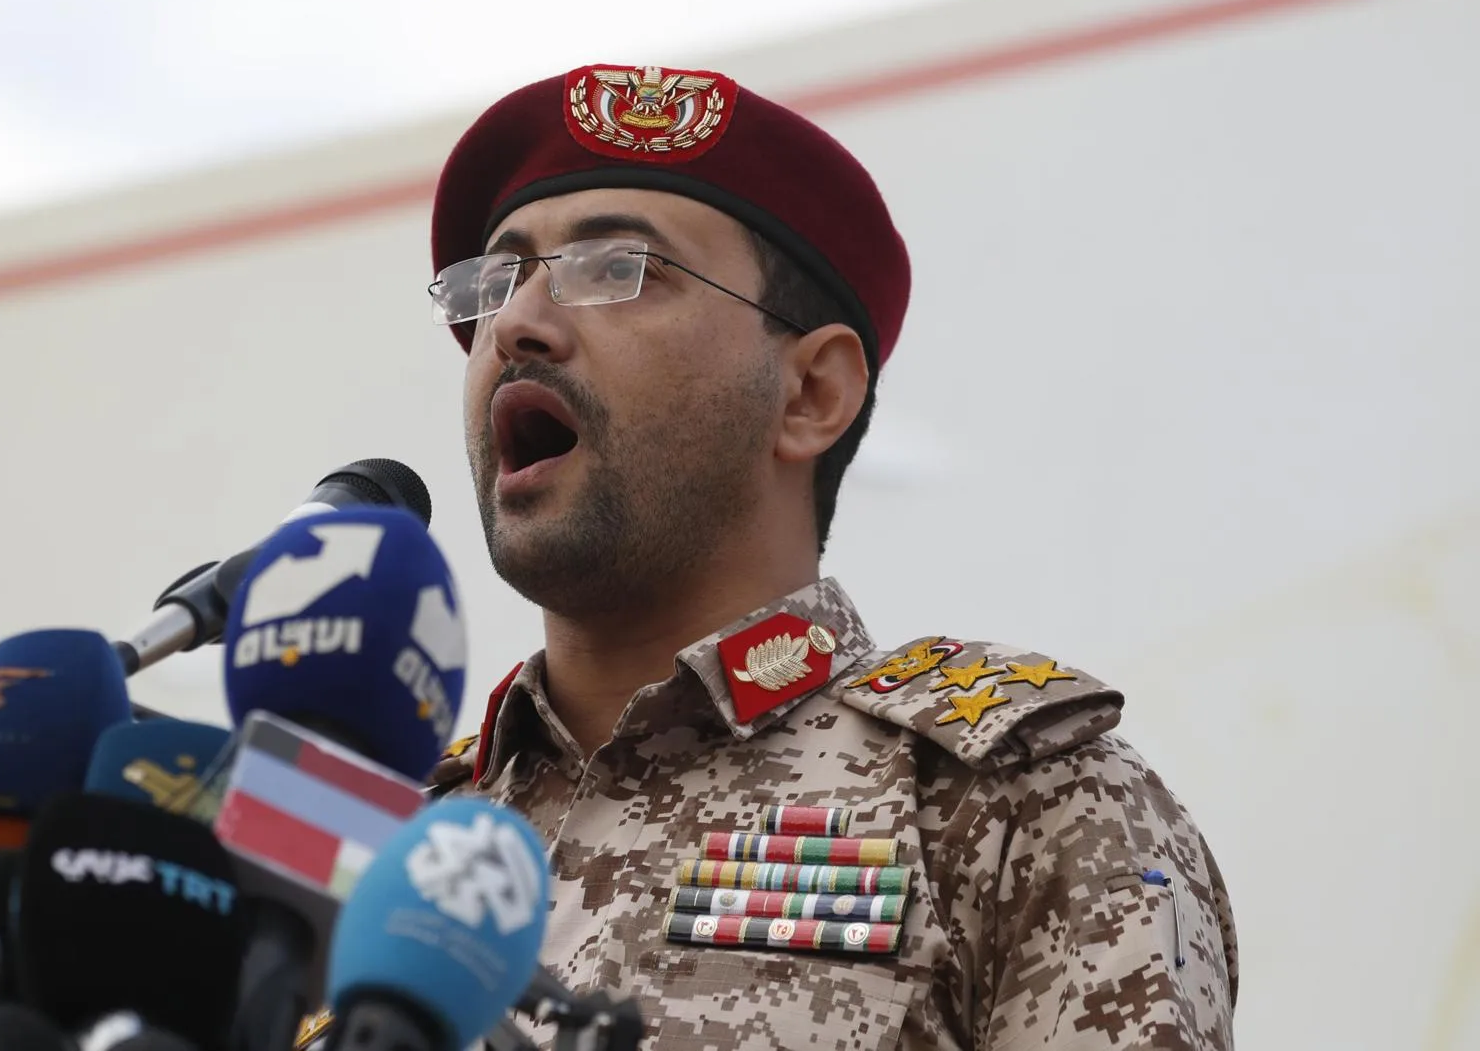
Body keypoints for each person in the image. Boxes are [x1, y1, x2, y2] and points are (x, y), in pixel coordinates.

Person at [422, 64, 1238, 1049]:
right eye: (496, 282)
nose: (516, 324)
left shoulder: (1002, 804)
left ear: (811, 392)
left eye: (617, 270)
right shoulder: (391, 854)